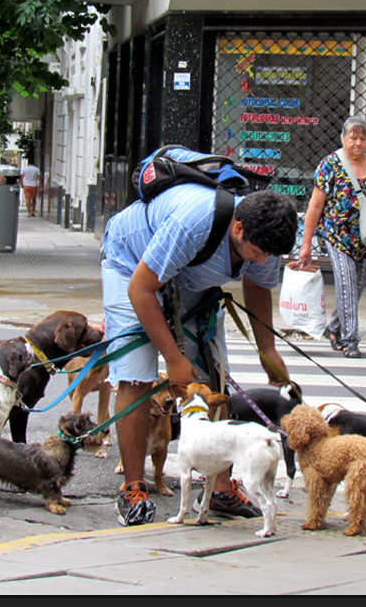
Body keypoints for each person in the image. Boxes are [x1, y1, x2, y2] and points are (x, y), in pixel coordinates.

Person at [102, 185, 298, 526]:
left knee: (210, 374)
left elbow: (258, 284)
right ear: (238, 229)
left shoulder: (264, 238)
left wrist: (267, 350)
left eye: (270, 256)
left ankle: (220, 488)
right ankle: (133, 487)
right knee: (136, 375)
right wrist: (173, 358)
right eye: (258, 252)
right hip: (131, 265)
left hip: (190, 275)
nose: (263, 260)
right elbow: (140, 289)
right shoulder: (194, 222)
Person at [297, 115, 366, 359]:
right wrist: (306, 244)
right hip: (336, 236)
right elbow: (314, 207)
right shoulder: (330, 165)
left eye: (363, 137)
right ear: (343, 138)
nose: (358, 142)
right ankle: (350, 339)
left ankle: (334, 328)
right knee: (347, 285)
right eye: (353, 137)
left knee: (357, 288)